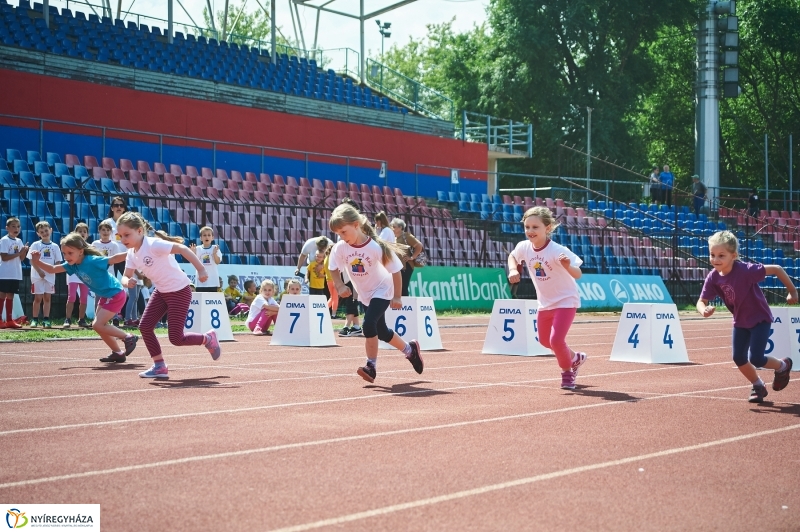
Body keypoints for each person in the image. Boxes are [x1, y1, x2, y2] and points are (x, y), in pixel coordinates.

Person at [116, 212, 221, 379]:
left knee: (176, 338)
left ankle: (207, 339)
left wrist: (201, 269)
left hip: (179, 290)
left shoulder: (153, 244)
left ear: (140, 231)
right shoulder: (131, 253)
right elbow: (125, 275)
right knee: (145, 326)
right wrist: (126, 281)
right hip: (161, 291)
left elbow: (182, 248)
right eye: (120, 236)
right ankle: (159, 366)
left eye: (126, 235)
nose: (123, 239)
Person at [328, 203, 424, 383]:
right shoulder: (340, 248)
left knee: (369, 324)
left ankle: (370, 366)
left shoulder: (375, 247)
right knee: (382, 331)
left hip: (383, 289)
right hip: (365, 293)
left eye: (344, 231)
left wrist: (397, 296)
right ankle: (410, 351)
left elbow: (396, 270)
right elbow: (333, 268)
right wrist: (340, 285)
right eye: (338, 233)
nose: (341, 236)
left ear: (356, 225)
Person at [697, 231, 796, 402]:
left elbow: (777, 269)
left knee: (756, 358)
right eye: (712, 255)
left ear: (733, 255)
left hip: (759, 318)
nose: (715, 260)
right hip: (740, 321)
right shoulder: (713, 277)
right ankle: (758, 385)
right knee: (738, 357)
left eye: (721, 255)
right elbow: (701, 300)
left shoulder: (745, 270)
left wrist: (792, 291)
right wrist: (703, 310)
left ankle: (782, 365)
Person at [507, 206, 587, 390]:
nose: (530, 231)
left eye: (535, 227)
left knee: (556, 341)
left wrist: (567, 266)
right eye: (527, 227)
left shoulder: (557, 250)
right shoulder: (524, 247)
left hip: (566, 301)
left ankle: (567, 373)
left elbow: (578, 274)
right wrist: (513, 269)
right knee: (544, 341)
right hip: (545, 303)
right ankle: (575, 358)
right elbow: (513, 256)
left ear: (548, 228)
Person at [31, 233, 138, 362]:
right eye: (64, 253)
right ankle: (118, 353)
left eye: (70, 253)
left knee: (98, 325)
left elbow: (114, 259)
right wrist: (37, 261)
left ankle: (128, 337)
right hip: (106, 295)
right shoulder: (72, 265)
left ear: (80, 251)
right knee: (99, 326)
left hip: (115, 294)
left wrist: (134, 251)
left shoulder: (91, 260)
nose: (66, 256)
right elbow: (53, 269)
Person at [27, 221, 62, 328]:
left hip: (50, 276)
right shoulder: (35, 245)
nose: (45, 233)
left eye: (46, 230)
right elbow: (31, 261)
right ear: (38, 234)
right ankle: (35, 319)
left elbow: (58, 261)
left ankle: (46, 319)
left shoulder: (55, 246)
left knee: (47, 298)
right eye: (42, 232)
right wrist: (39, 271)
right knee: (38, 298)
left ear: (51, 230)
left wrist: (53, 270)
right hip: (37, 276)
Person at [93, 220, 127, 327]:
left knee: (113, 296)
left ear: (111, 232)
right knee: (98, 296)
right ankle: (97, 318)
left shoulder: (114, 245)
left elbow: (117, 259)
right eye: (103, 230)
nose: (105, 232)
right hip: (98, 275)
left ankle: (115, 317)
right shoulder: (95, 244)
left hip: (110, 274)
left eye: (108, 230)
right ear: (99, 231)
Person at [0, 217, 28, 329]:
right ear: (7, 228)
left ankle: (10, 320)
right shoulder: (4, 240)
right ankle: (1, 320)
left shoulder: (19, 241)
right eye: (13, 226)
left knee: (11, 295)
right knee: (2, 294)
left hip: (15, 273)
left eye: (18, 226)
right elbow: (4, 257)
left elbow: (21, 258)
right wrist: (19, 253)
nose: (16, 228)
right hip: (5, 273)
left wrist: (24, 251)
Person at [64, 222, 91, 328]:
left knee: (84, 297)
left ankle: (82, 319)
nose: (82, 233)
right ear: (75, 233)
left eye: (84, 231)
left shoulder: (89, 247)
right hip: (73, 275)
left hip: (84, 275)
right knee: (72, 297)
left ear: (87, 234)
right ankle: (68, 319)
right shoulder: (70, 246)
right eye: (80, 231)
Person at [390, 218, 424, 296]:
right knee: (397, 287)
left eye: (394, 226)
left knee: (403, 287)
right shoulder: (394, 238)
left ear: (400, 227)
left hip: (406, 266)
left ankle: (405, 306)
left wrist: (412, 257)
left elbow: (419, 246)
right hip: (398, 266)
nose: (392, 228)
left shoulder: (406, 236)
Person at [102, 196, 128, 278]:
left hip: (125, 257)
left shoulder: (129, 223)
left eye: (121, 205)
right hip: (111, 257)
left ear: (124, 208)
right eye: (116, 205)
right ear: (112, 208)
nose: (119, 207)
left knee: (126, 282)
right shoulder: (106, 223)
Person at [190, 226, 222, 293]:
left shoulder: (215, 248)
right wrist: (193, 253)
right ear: (201, 238)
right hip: (201, 280)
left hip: (212, 281)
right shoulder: (197, 249)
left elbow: (217, 262)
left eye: (209, 235)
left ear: (212, 237)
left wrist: (214, 254)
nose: (206, 237)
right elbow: (194, 263)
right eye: (204, 235)